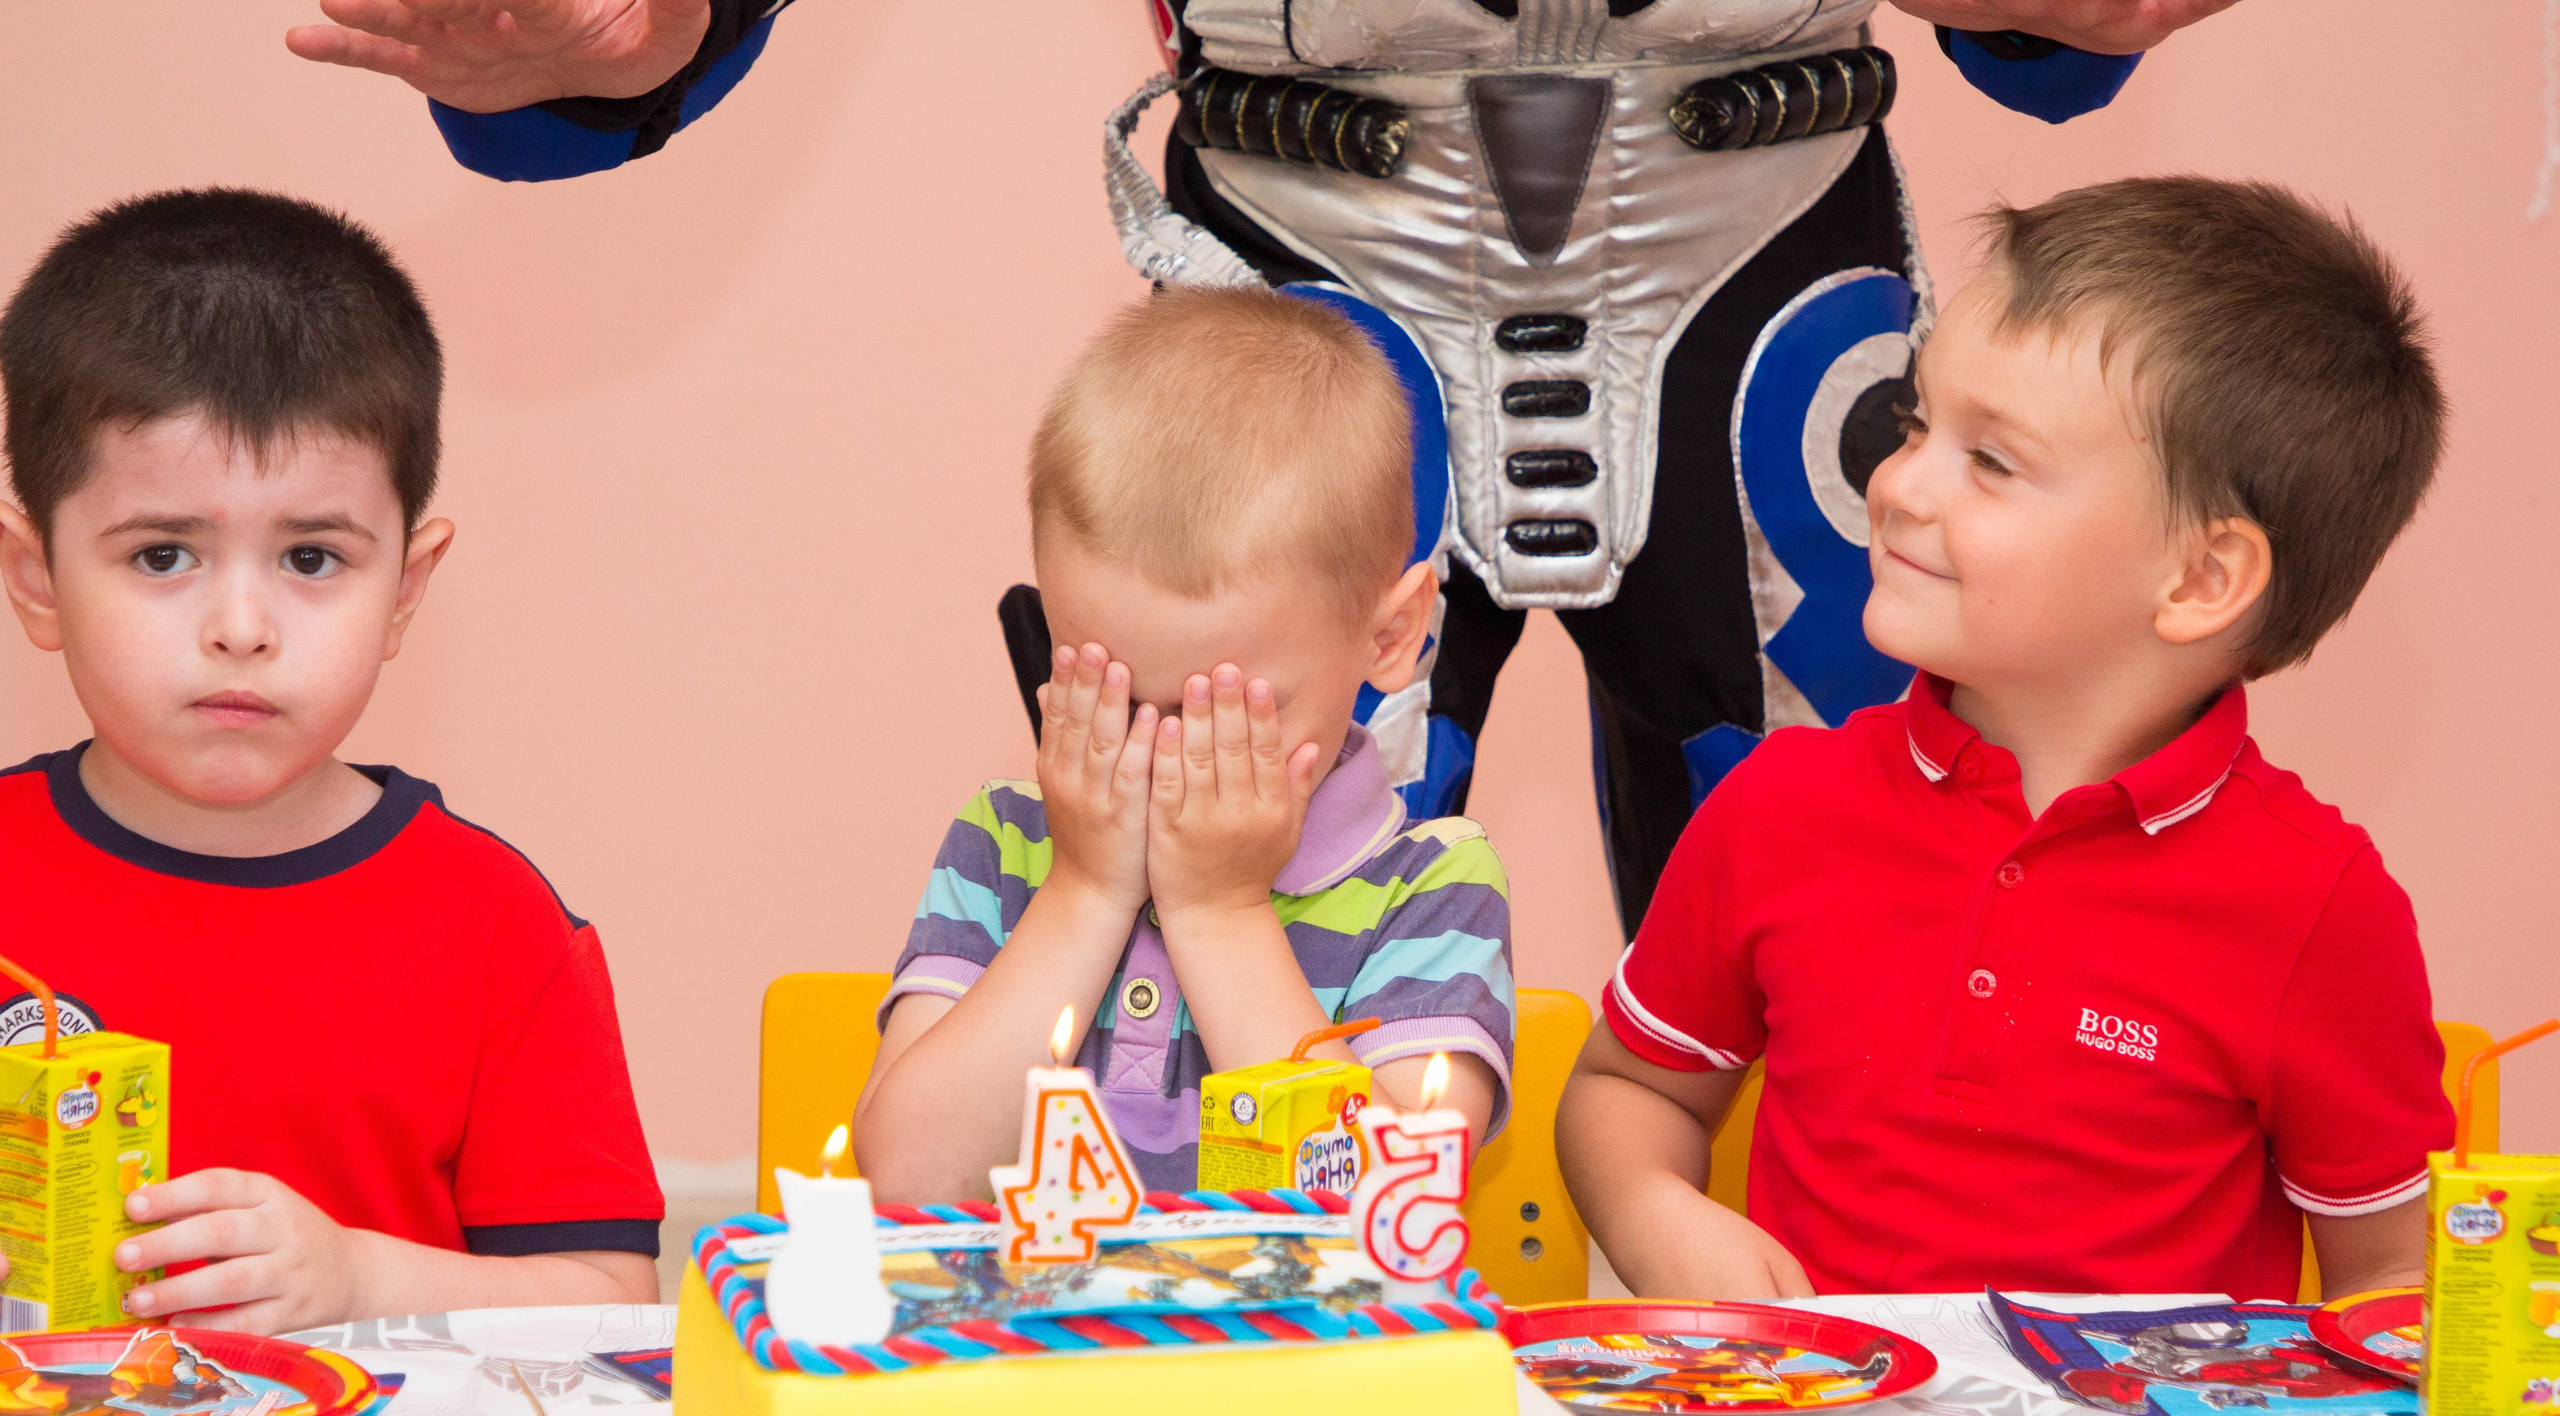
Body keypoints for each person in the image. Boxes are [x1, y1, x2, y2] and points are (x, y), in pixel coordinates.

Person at [283, 0, 2234, 940]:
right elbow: (615, 28)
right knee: (1240, 875)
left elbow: (2056, 27)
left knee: (1871, 913)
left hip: (1757, 232)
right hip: (1318, 247)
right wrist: (615, 36)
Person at [1556, 177, 2446, 1304]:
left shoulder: (2319, 908)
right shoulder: (1781, 804)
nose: (1894, 485)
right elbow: (1631, 1090)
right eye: (1914, 423)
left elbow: (2397, 1284)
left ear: (2200, 579)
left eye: (1992, 462)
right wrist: (1657, 1218)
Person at [0, 189, 664, 1333]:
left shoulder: (496, 928)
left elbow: (610, 1306)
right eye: (164, 554)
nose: (242, 626)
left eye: (311, 557)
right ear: (38, 579)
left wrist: (363, 1281)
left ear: (404, 590)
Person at [854, 287, 1513, 1203]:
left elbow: (1382, 1217)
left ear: (1391, 636)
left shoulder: (1431, 888)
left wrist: (1221, 913)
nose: (1167, 753)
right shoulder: (1005, 845)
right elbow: (910, 1179)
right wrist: (1084, 890)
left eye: (1228, 713)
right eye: (1115, 695)